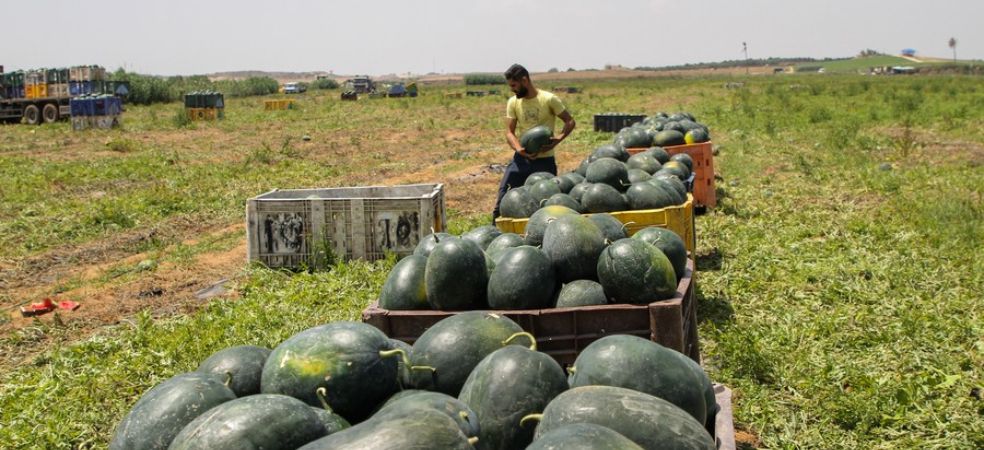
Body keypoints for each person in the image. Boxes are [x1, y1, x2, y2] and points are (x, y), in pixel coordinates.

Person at [492, 64, 576, 220]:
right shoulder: (513, 102)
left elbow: (570, 121)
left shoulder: (549, 99)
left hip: (545, 161)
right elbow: (509, 132)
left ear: (524, 80)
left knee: (547, 207)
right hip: (521, 160)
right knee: (503, 198)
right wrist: (519, 149)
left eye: (514, 85)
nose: (512, 89)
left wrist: (557, 140)